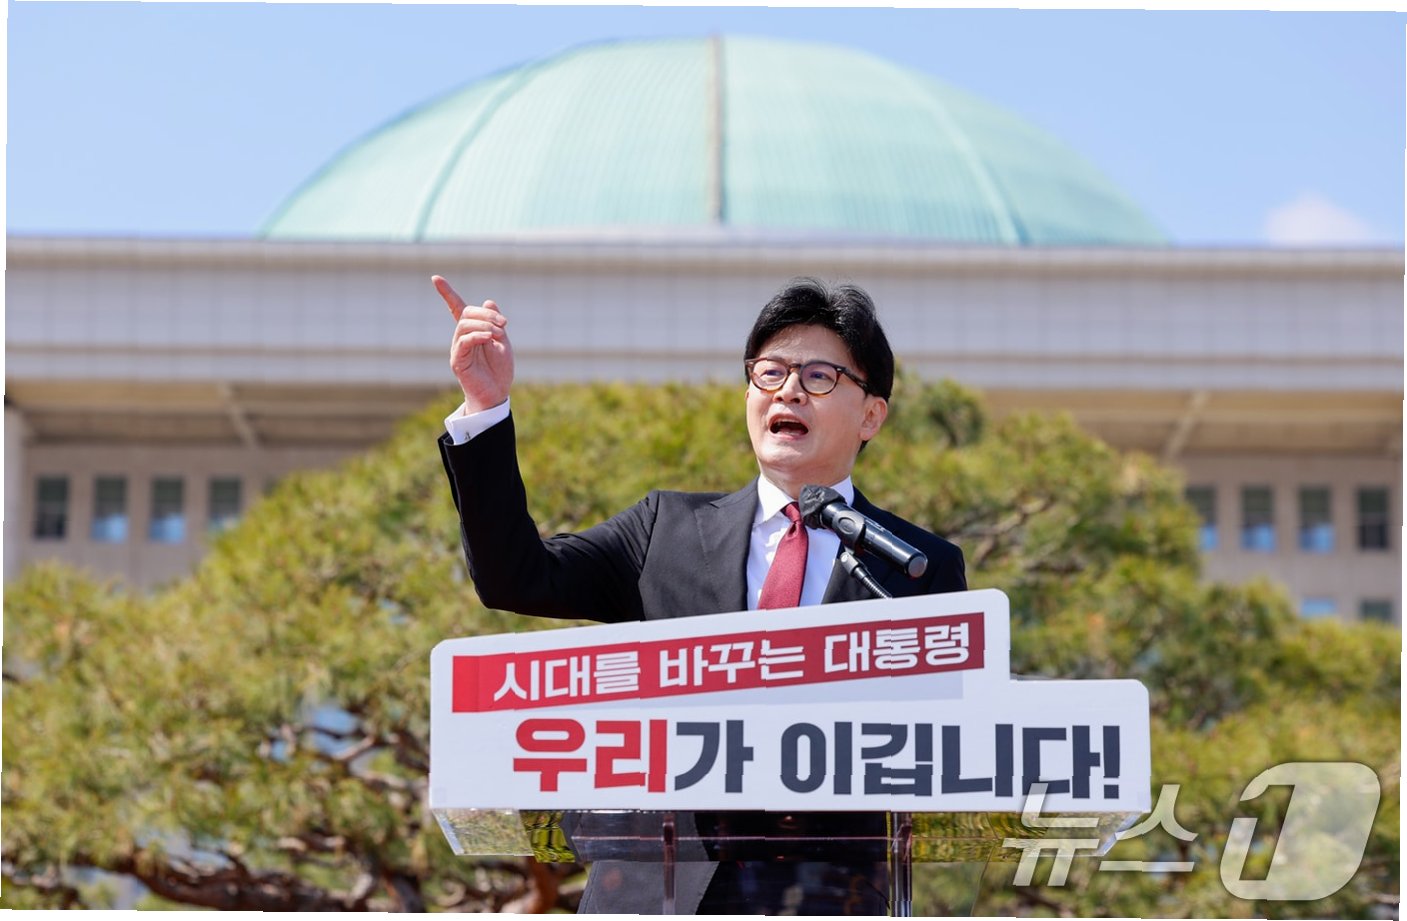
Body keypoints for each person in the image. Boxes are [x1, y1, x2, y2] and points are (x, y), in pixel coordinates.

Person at [435, 275, 967, 914]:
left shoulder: (915, 568)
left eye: (820, 376)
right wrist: (486, 407)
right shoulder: (665, 528)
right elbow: (515, 576)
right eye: (770, 372)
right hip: (655, 896)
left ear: (871, 415)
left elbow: (947, 752)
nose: (788, 390)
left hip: (825, 899)